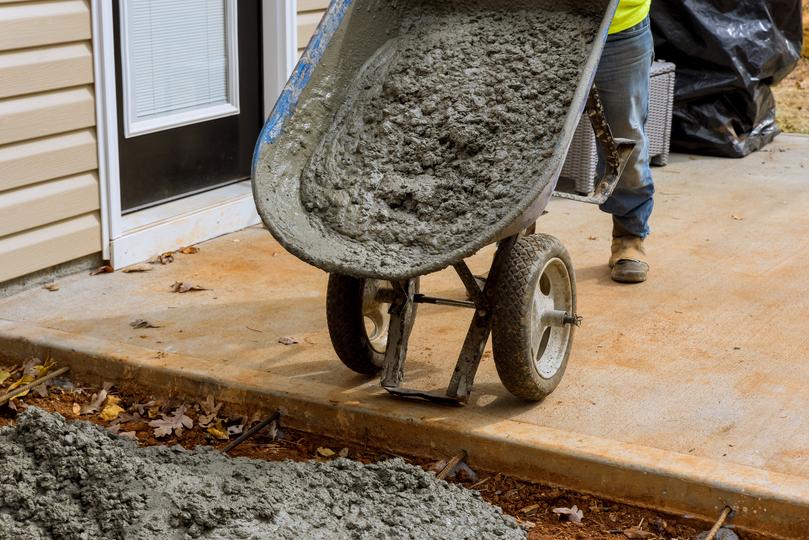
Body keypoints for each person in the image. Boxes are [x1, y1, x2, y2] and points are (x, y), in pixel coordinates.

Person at [596, 0, 655, 283]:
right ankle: (512, 245)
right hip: (536, 18)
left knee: (625, 137)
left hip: (619, 25)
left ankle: (629, 237)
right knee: (528, 136)